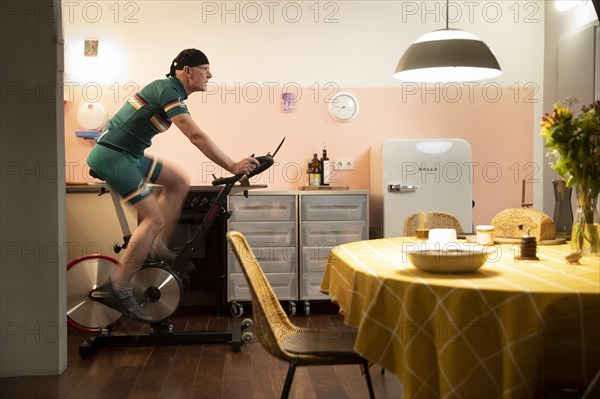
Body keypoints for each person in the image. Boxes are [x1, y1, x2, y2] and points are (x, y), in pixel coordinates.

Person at [86, 48, 259, 320]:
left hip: (131, 156)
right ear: (187, 71)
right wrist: (233, 166)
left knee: (178, 181)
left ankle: (155, 245)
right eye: (205, 68)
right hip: (113, 155)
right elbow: (195, 135)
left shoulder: (174, 93)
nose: (210, 75)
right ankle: (119, 286)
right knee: (153, 219)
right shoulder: (167, 88)